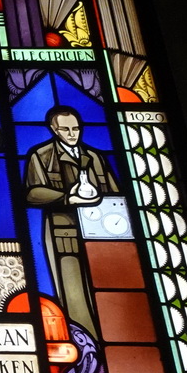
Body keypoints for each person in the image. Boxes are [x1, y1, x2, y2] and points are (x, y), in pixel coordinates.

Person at [25, 105, 118, 335]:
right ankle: (88, 343)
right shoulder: (42, 156)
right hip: (63, 230)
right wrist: (68, 198)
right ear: (54, 129)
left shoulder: (95, 157)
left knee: (108, 287)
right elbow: (32, 193)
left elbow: (115, 193)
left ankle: (111, 334)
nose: (72, 134)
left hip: (102, 231)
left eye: (76, 128)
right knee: (72, 289)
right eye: (65, 130)